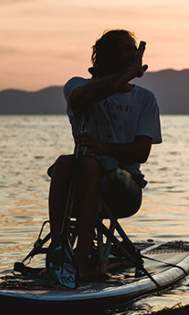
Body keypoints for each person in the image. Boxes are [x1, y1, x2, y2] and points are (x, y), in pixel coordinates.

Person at [47, 29, 162, 278]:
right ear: (106, 57)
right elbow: (84, 97)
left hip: (125, 189)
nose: (132, 54)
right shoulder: (76, 85)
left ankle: (81, 258)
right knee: (64, 163)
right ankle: (58, 251)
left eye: (134, 49)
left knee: (89, 165)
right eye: (126, 49)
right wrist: (126, 74)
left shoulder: (145, 98)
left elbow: (142, 152)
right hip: (81, 184)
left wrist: (103, 148)